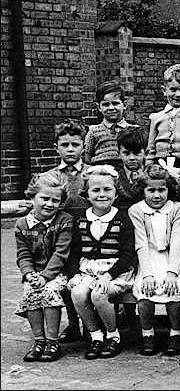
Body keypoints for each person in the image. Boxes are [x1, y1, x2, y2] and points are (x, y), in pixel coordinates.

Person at [66, 165, 137, 360]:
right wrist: (75, 274)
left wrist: (108, 276)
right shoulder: (81, 219)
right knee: (78, 293)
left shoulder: (122, 218)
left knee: (99, 294)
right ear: (87, 194)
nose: (101, 194)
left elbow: (127, 253)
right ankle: (96, 335)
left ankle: (113, 336)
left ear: (116, 193)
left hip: (115, 271)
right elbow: (74, 251)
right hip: (87, 270)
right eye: (95, 190)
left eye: (107, 190)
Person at [128, 164, 180, 356]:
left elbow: (177, 243)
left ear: (169, 190)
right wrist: (147, 275)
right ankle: (147, 334)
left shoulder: (176, 209)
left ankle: (176, 333)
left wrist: (172, 273)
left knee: (174, 288)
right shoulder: (136, 210)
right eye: (151, 190)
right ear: (143, 191)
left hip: (171, 257)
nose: (156, 195)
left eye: (161, 190)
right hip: (148, 258)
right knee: (144, 291)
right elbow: (141, 244)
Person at [14, 172, 72, 362]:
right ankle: (39, 340)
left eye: (55, 200)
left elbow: (61, 253)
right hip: (36, 273)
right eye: (44, 198)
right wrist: (29, 274)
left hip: (59, 272)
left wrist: (45, 276)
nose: (49, 204)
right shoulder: (22, 224)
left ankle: (52, 341)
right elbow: (23, 254)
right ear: (32, 196)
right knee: (30, 291)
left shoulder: (64, 221)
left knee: (49, 291)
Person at [45, 119, 90, 343]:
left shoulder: (92, 174)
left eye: (75, 144)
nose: (70, 149)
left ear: (84, 146)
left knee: (88, 278)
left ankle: (92, 324)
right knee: (67, 279)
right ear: (57, 148)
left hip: (89, 235)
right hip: (62, 237)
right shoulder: (51, 177)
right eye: (65, 145)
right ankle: (73, 323)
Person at [84, 80, 138, 168]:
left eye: (115, 103)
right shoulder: (93, 131)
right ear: (99, 107)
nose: (111, 108)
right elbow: (88, 158)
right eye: (106, 104)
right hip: (101, 174)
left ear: (124, 105)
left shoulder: (134, 130)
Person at [114, 126, 148, 210]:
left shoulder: (152, 176)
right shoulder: (115, 178)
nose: (132, 158)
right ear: (119, 153)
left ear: (146, 153)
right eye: (126, 153)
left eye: (136, 153)